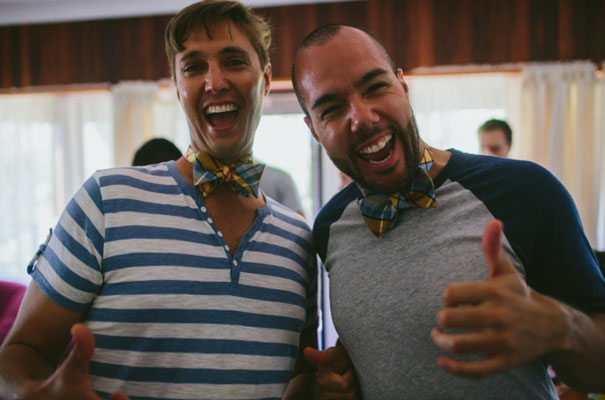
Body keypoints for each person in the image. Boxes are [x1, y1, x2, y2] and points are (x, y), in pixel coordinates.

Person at [0, 2, 318, 399]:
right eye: (194, 67)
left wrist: (328, 385)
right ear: (177, 85)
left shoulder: (299, 239)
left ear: (266, 79)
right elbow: (19, 352)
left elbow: (302, 374)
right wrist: (33, 393)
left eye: (234, 61)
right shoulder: (106, 201)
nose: (214, 81)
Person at [291, 24, 605, 399]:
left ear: (402, 86)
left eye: (375, 87)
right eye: (331, 109)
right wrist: (340, 383)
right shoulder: (328, 228)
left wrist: (562, 329)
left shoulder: (526, 191)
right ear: (314, 130)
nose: (362, 118)